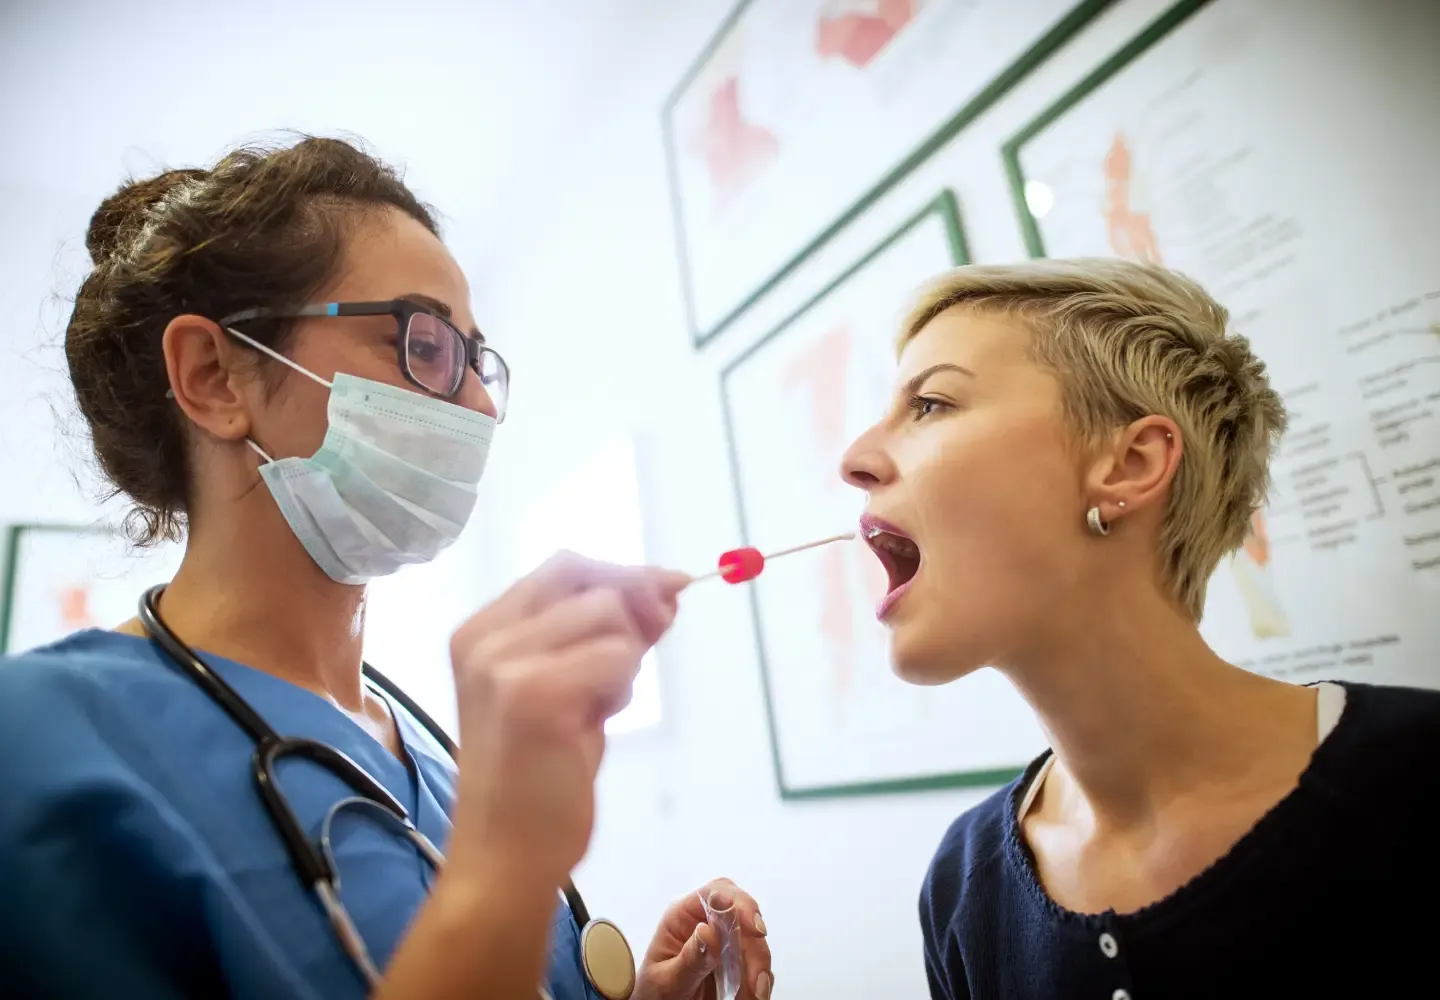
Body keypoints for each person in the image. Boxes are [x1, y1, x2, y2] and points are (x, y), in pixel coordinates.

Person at [0, 136, 773, 1000]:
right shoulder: (40, 741)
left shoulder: (437, 758)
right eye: (427, 345)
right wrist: (506, 862)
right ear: (214, 377)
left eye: (477, 361)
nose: (480, 404)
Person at [839, 259, 1440, 998]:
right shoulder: (963, 887)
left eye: (931, 403)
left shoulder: (1417, 775)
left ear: (1130, 465)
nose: (855, 460)